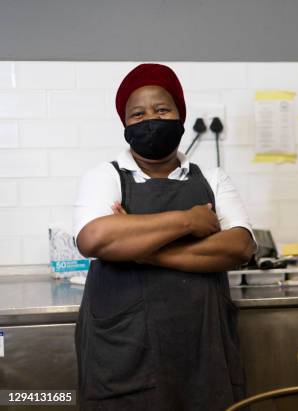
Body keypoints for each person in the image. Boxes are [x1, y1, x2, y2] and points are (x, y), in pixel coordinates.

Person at [72, 63, 256, 411]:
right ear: (125, 124)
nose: (150, 120)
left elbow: (239, 247)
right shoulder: (104, 176)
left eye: (161, 109)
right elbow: (95, 239)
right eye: (137, 114)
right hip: (123, 352)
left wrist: (140, 250)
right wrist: (189, 221)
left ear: (180, 116)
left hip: (203, 348)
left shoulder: (213, 178)